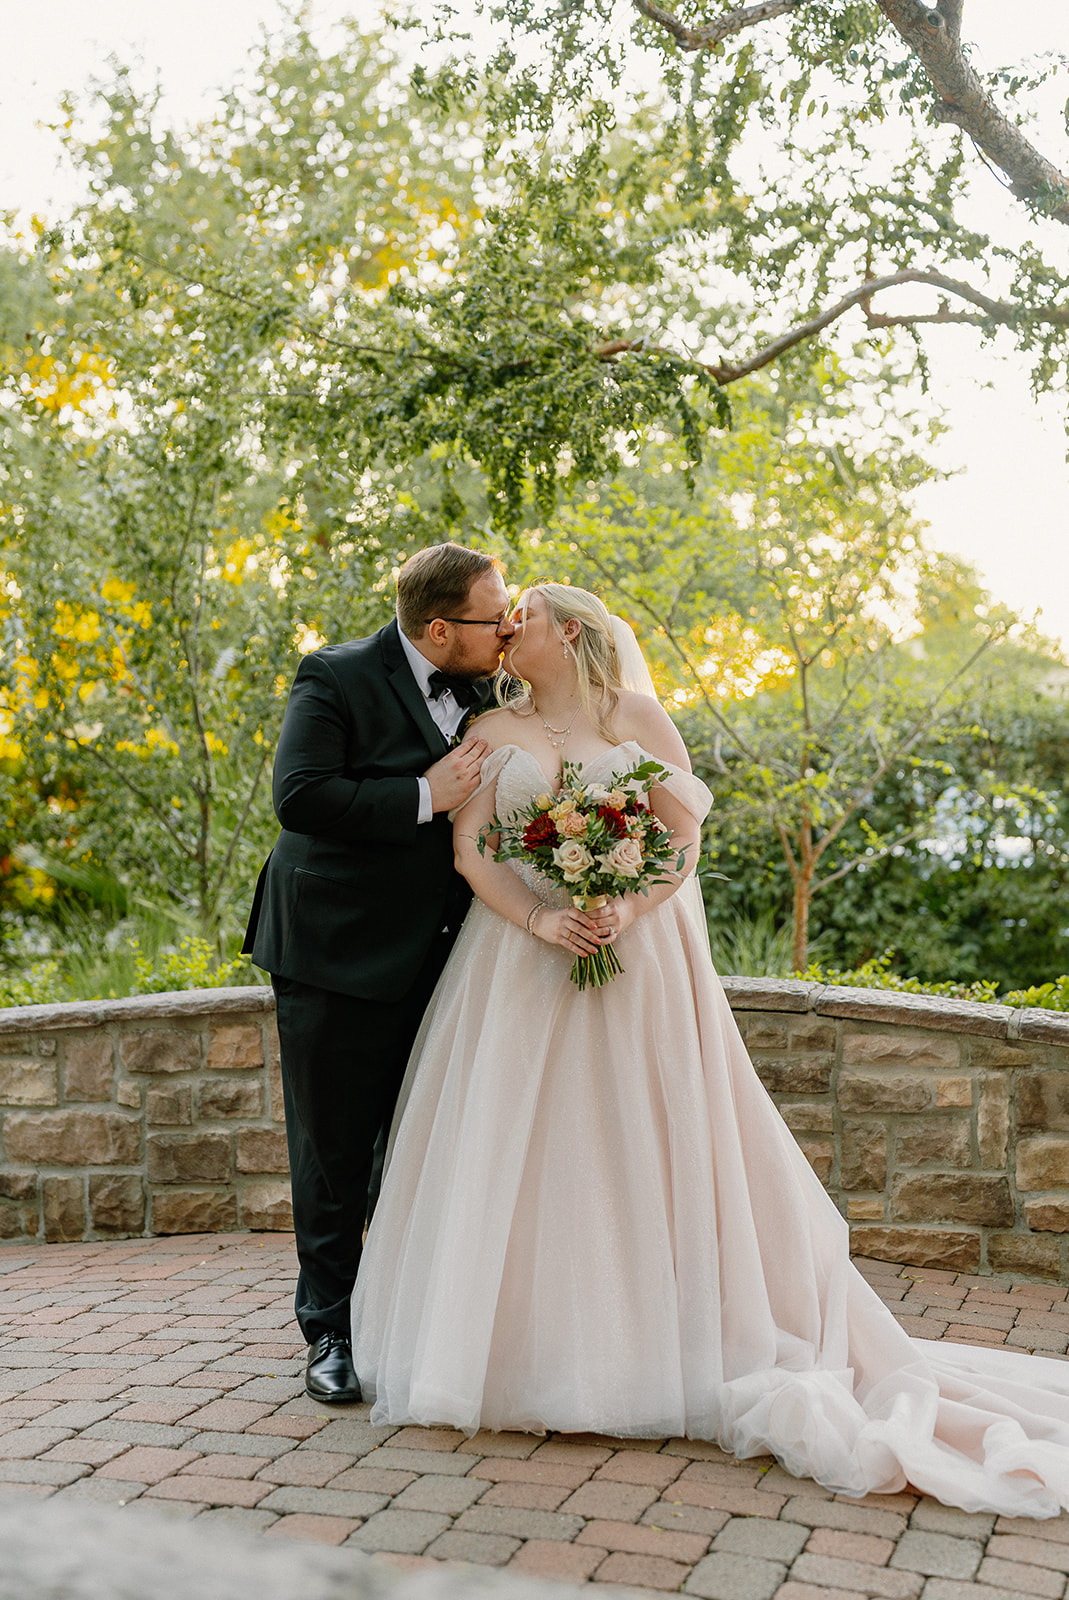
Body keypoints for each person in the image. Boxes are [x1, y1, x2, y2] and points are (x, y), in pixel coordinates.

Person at [352, 581, 1069, 1518]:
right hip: (518, 968)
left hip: (639, 961)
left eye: (521, 617)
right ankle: (529, 1354)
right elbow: (472, 851)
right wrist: (541, 916)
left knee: (646, 1144)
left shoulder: (638, 716)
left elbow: (681, 841)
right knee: (531, 1155)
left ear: (567, 632)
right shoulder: (489, 732)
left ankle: (663, 1345)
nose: (507, 631)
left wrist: (627, 906)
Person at [243, 543, 513, 1403]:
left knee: (422, 1143)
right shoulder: (333, 675)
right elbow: (301, 796)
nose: (506, 626)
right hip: (334, 950)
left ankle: (403, 1316)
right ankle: (327, 1331)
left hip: (443, 954)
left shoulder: (491, 689)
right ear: (438, 628)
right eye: (490, 614)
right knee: (333, 1154)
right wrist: (423, 794)